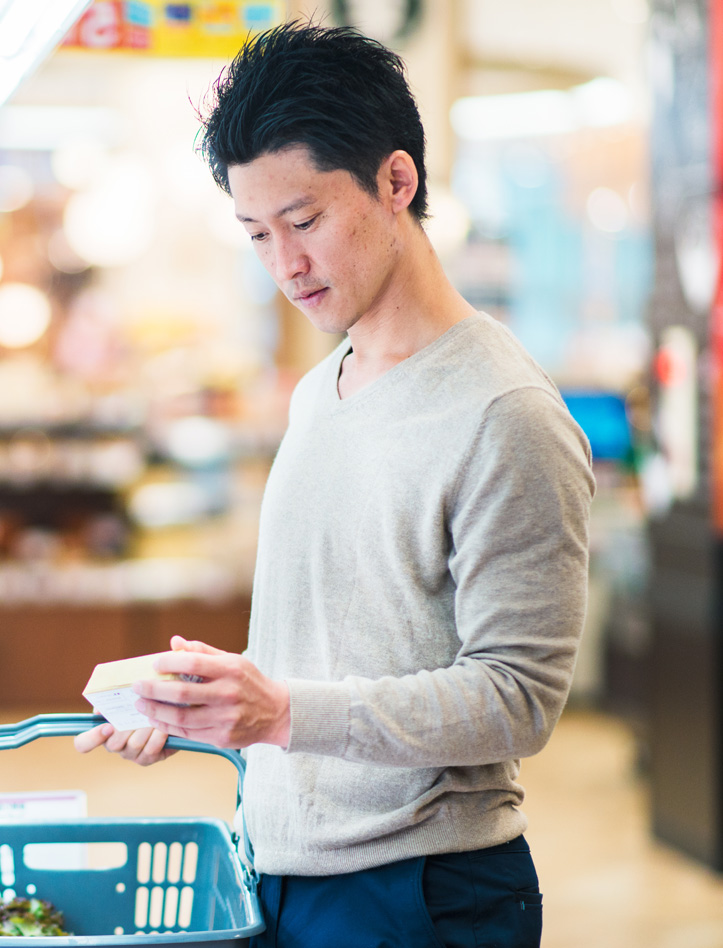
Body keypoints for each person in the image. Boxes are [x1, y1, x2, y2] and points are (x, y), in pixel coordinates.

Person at [75, 20, 595, 948]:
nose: (284, 266)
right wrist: (206, 707)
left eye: (305, 221)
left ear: (397, 182)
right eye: (255, 234)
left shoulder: (505, 413)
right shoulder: (323, 389)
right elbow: (336, 652)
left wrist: (280, 711)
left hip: (419, 893)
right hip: (281, 872)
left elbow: (518, 696)